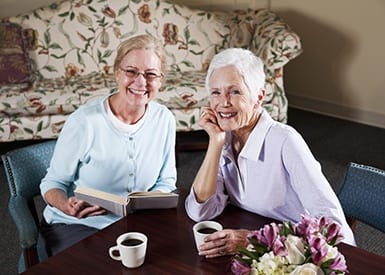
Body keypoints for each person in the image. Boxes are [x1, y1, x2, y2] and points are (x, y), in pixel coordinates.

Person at [185, 48, 355, 258]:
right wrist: (215, 142)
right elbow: (200, 212)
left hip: (303, 256)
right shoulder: (226, 136)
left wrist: (254, 240)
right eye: (216, 92)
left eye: (235, 91)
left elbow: (334, 231)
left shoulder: (285, 141)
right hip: (262, 253)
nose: (224, 102)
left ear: (259, 97)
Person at [40, 34, 177, 256]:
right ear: (116, 73)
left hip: (136, 224)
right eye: (131, 71)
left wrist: (143, 203)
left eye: (151, 74)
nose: (141, 82)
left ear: (161, 81)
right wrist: (66, 205)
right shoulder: (84, 121)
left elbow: (166, 181)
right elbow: (52, 183)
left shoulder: (165, 119)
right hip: (80, 225)